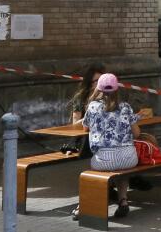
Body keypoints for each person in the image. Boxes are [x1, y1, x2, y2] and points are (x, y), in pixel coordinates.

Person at [78, 73, 146, 219]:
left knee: (100, 169)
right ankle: (123, 200)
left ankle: (83, 207)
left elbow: (85, 128)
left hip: (103, 159)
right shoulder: (125, 107)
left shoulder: (93, 107)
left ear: (98, 89)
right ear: (117, 89)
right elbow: (137, 133)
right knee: (121, 168)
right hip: (128, 158)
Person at [61, 62, 105, 157]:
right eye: (97, 81)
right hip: (86, 138)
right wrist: (89, 116)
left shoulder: (108, 96)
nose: (100, 83)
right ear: (89, 82)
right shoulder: (81, 98)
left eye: (102, 80)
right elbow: (75, 124)